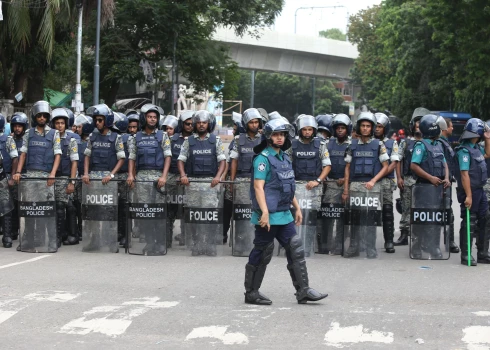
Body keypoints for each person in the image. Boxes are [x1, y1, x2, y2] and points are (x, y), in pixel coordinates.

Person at [244, 118, 327, 305]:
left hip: (284, 213)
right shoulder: (262, 159)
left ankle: (303, 290)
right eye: (275, 134)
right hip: (268, 215)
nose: (280, 138)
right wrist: (264, 212)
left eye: (282, 134)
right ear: (268, 136)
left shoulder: (285, 158)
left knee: (296, 249)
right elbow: (259, 187)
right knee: (262, 252)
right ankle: (251, 292)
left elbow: (287, 186)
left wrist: (296, 207)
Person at [13, 101, 62, 253]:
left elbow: (58, 155)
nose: (42, 118)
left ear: (47, 117)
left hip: (46, 178)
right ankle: (27, 241)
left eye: (44, 116)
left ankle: (50, 241)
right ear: (35, 117)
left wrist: (53, 174)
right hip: (30, 178)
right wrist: (18, 172)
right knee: (29, 210)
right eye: (39, 115)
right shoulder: (29, 133)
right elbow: (23, 154)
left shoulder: (54, 134)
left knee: (46, 210)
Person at [177, 110, 226, 256]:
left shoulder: (215, 141)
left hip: (209, 184)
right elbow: (180, 160)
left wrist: (218, 177)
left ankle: (209, 244)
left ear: (208, 124)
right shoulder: (188, 141)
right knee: (194, 215)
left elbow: (222, 161)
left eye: (204, 122)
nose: (201, 125)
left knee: (209, 215)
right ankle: (197, 244)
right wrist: (183, 175)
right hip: (192, 184)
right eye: (198, 123)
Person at [342, 112, 389, 259]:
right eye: (362, 125)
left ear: (372, 128)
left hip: (372, 187)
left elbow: (386, 166)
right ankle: (353, 246)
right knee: (354, 217)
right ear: (358, 127)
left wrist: (374, 181)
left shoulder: (379, 144)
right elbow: (347, 167)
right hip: (355, 186)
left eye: (368, 126)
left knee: (370, 218)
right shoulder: (352, 144)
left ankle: (370, 247)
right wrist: (345, 190)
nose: (365, 128)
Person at [126, 105, 172, 254]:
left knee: (158, 212)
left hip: (158, 178)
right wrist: (131, 175)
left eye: (155, 117)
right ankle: (150, 242)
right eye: (150, 117)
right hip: (141, 179)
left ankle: (160, 243)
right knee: (145, 213)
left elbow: (168, 157)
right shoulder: (135, 137)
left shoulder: (163, 136)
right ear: (144, 118)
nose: (152, 119)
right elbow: (132, 158)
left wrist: (164, 176)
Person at [290, 114, 331, 256]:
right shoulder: (292, 145)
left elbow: (327, 166)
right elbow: (286, 165)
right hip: (295, 186)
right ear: (300, 130)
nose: (307, 132)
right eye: (304, 129)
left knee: (311, 218)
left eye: (310, 129)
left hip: (313, 187)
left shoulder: (320, 145)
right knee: (295, 216)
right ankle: (293, 247)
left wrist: (317, 181)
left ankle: (307, 247)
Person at [410, 114, 450, 259]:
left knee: (435, 219)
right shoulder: (421, 145)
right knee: (420, 218)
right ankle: (416, 247)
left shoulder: (439, 144)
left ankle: (434, 247)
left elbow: (444, 163)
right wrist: (430, 178)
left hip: (437, 188)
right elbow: (414, 165)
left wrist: (446, 178)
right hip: (423, 188)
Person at [455, 118, 490, 266]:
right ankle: (466, 255)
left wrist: (487, 139)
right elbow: (464, 174)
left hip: (480, 190)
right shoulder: (464, 150)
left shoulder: (476, 148)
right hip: (470, 191)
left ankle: (482, 253)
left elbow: (488, 153)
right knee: (470, 221)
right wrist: (468, 195)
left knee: (485, 219)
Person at [229, 109, 263, 254]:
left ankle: (258, 245)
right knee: (242, 213)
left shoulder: (265, 139)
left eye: (256, 122)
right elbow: (234, 161)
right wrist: (232, 182)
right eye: (251, 122)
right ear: (246, 124)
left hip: (260, 182)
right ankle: (241, 244)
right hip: (242, 180)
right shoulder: (238, 140)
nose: (254, 125)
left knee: (258, 212)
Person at [394, 108, 428, 246]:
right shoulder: (406, 142)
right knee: (407, 208)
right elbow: (398, 160)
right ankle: (404, 234)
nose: (418, 125)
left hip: (424, 181)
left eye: (421, 123)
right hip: (408, 179)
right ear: (412, 125)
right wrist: (399, 178)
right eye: (417, 123)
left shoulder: (429, 143)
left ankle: (422, 237)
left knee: (423, 208)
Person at [321, 113, 351, 255]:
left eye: (343, 128)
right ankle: (325, 244)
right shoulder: (327, 143)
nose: (340, 130)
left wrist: (346, 180)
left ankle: (339, 245)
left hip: (346, 185)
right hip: (331, 185)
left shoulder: (352, 144)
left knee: (342, 217)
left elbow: (352, 166)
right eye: (338, 128)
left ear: (347, 129)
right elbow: (322, 162)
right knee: (328, 215)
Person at [51, 108, 79, 246]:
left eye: (62, 123)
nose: (60, 125)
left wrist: (72, 182)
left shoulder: (71, 140)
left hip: (65, 177)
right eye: (57, 123)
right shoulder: (50, 137)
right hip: (51, 178)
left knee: (63, 206)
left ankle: (61, 236)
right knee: (56, 207)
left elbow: (74, 162)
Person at [374, 113, 399, 253]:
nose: (377, 129)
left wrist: (379, 176)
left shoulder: (392, 143)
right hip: (370, 182)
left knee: (387, 211)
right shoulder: (368, 142)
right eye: (375, 126)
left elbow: (394, 162)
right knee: (368, 211)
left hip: (385, 181)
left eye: (380, 127)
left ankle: (389, 241)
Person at [168, 110, 194, 246]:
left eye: (191, 124)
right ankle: (167, 236)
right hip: (172, 176)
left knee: (187, 208)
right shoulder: (173, 139)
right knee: (171, 206)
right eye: (187, 124)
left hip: (189, 178)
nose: (189, 126)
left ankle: (185, 235)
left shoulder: (196, 139)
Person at [436, 117, 460, 253]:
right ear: (445, 128)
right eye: (451, 126)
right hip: (439, 183)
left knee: (447, 213)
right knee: (438, 213)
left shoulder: (445, 143)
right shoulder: (439, 143)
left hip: (446, 182)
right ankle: (433, 242)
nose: (452, 129)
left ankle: (449, 241)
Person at [0, 113, 19, 248]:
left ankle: (7, 236)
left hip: (3, 177)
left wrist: (12, 176)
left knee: (6, 207)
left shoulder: (8, 139)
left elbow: (15, 158)